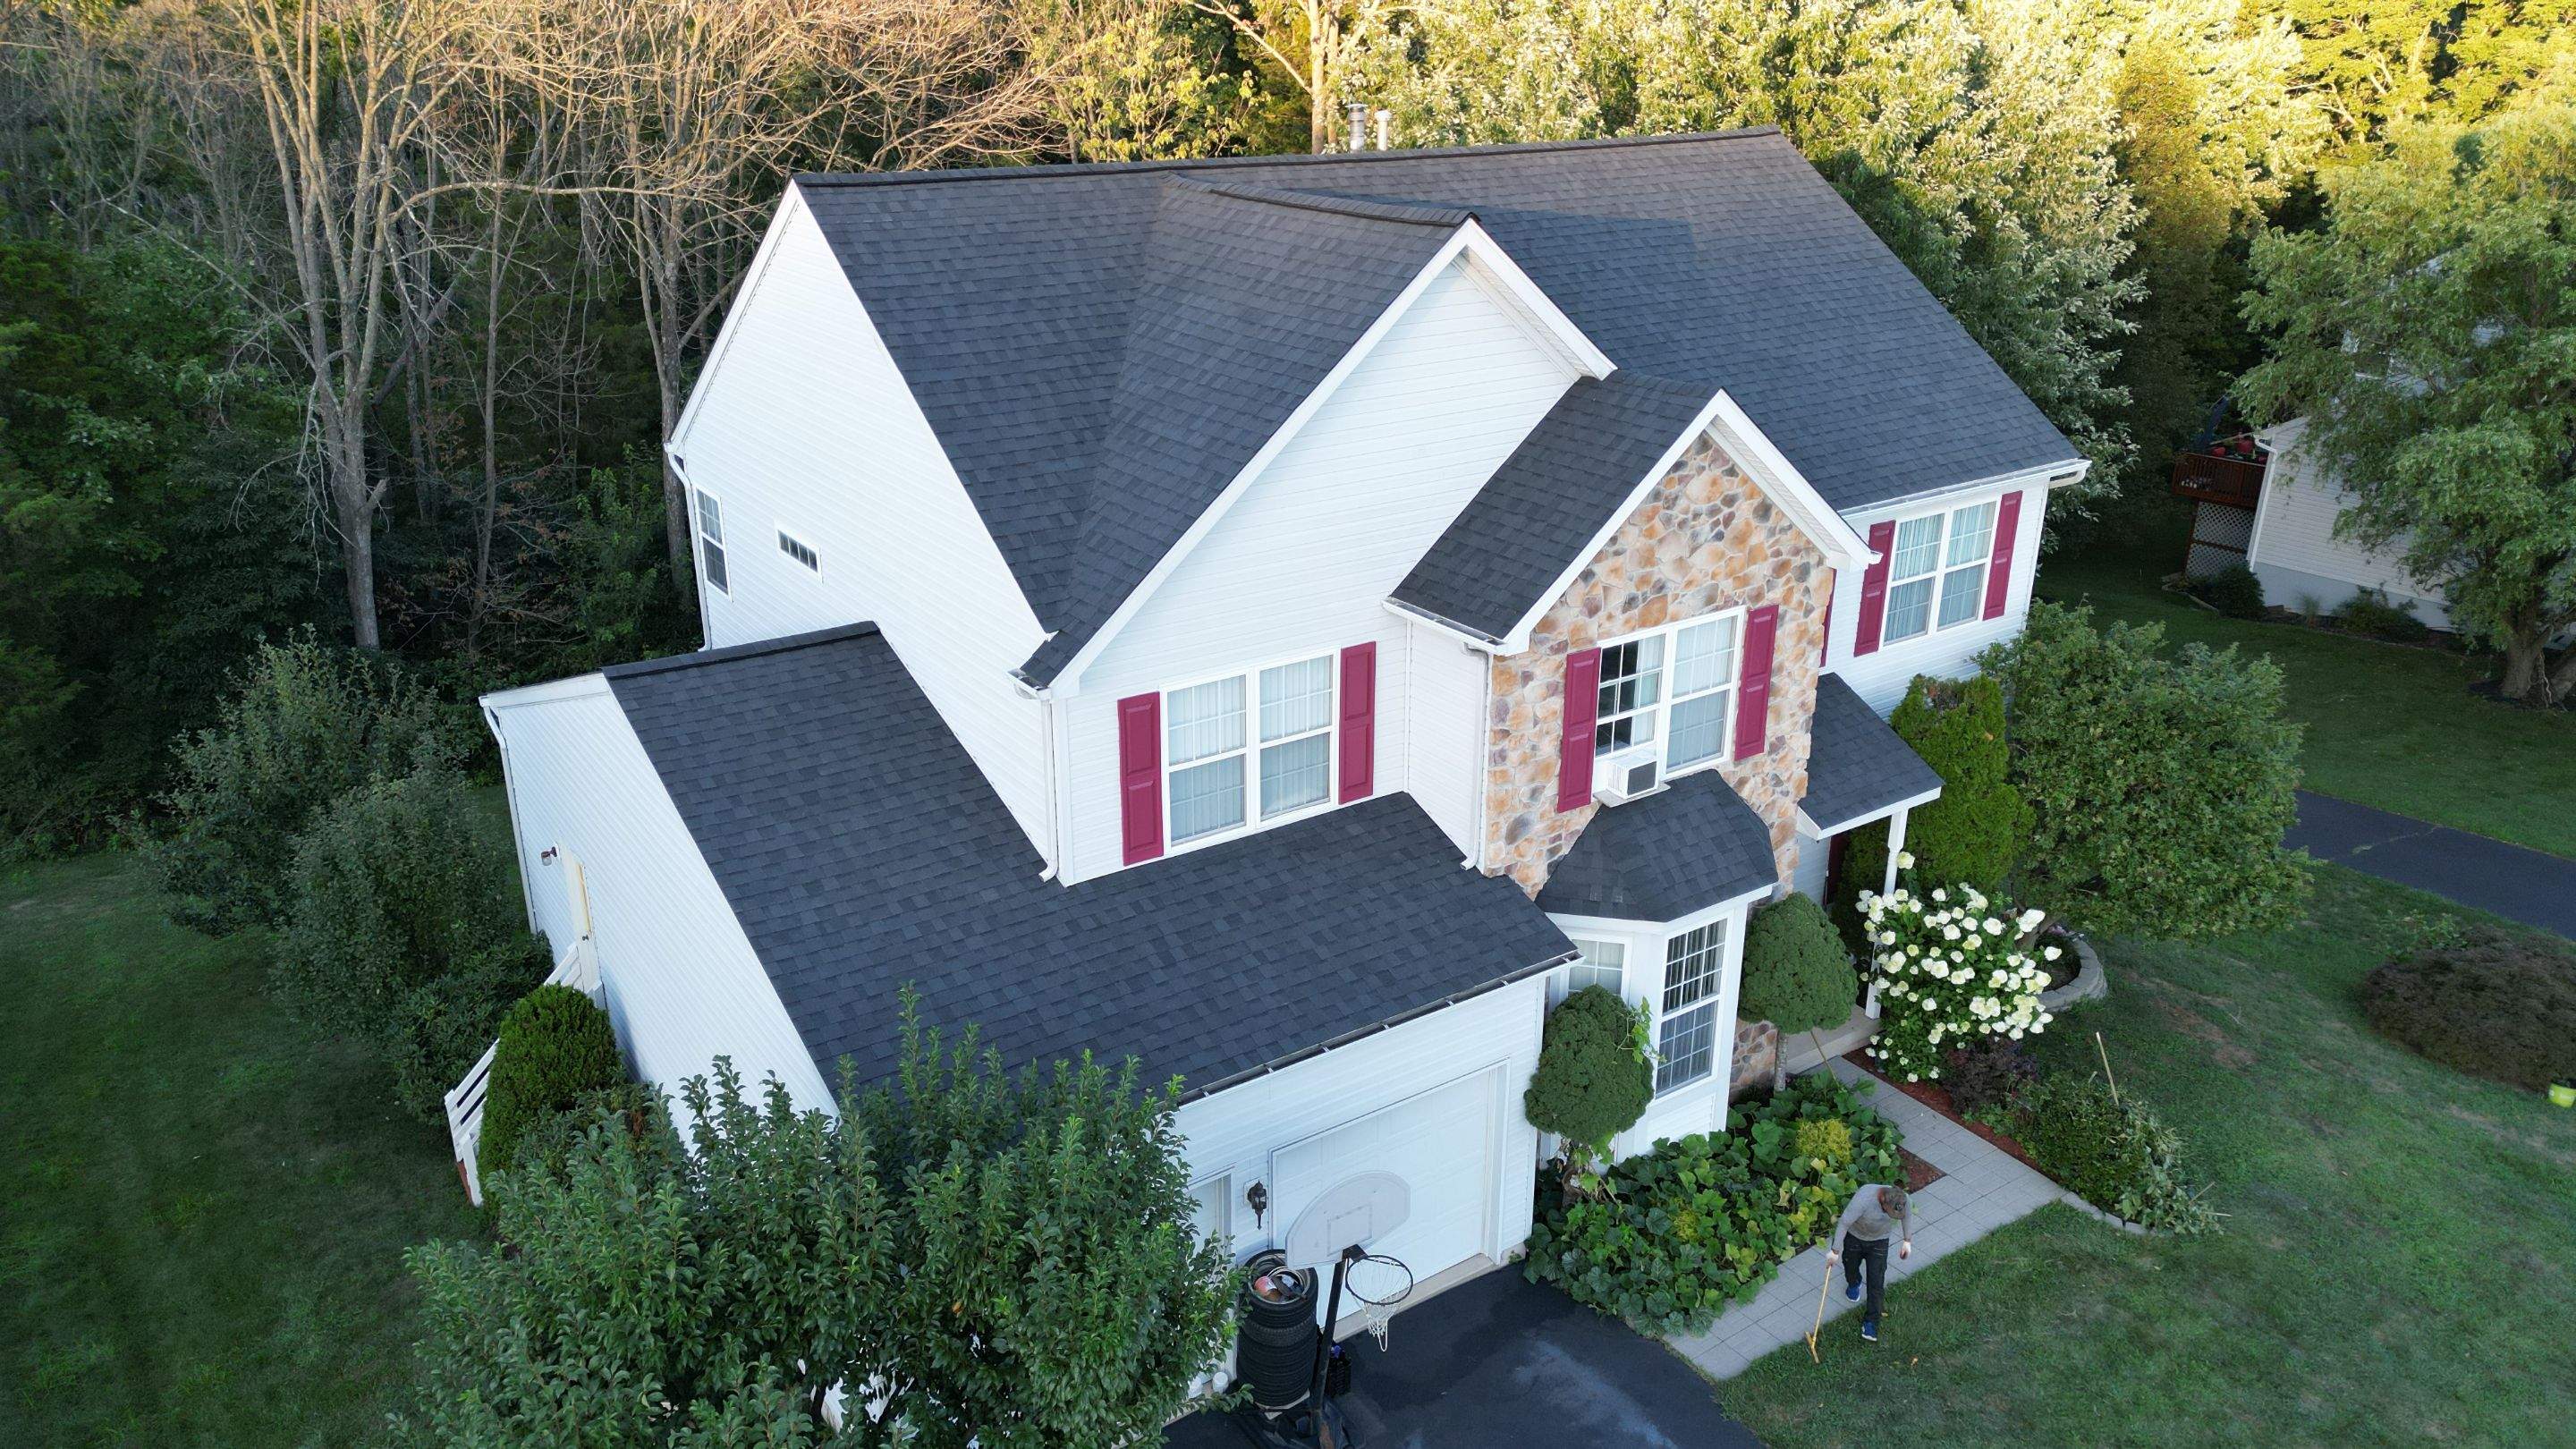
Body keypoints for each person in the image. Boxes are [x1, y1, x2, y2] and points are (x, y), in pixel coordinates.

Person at [1824, 1183, 1912, 1343]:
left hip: (1880, 1241)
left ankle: (1871, 1322)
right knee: (1849, 1266)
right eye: (1888, 1211)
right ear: (1883, 1201)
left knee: (1876, 1283)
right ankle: (1854, 1282)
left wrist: (1907, 1241)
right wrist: (1835, 1251)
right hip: (1855, 1238)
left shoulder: (1903, 1199)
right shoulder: (1864, 1198)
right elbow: (1844, 1222)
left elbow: (1907, 1217)